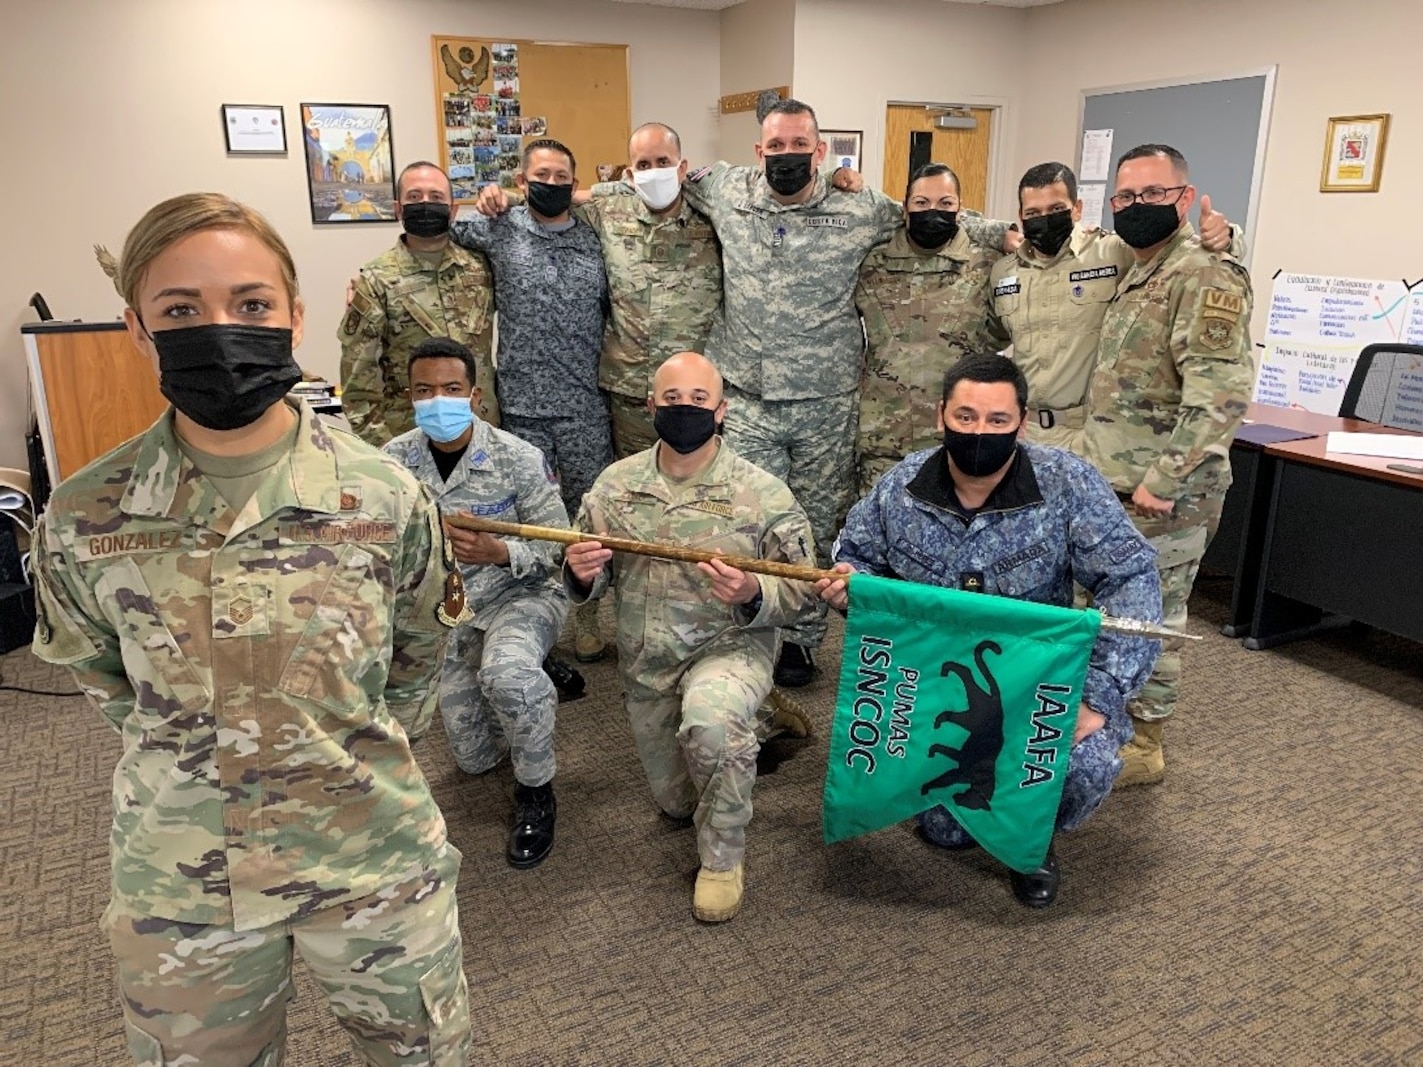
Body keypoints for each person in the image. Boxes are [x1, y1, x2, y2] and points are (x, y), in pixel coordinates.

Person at [35, 193, 473, 1063]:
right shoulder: (86, 513)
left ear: (294, 316)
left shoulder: (384, 496)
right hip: (183, 880)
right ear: (137, 329)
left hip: (371, 860)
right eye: (181, 311)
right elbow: (99, 674)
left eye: (251, 305)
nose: (220, 329)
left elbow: (419, 657)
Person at [670, 99, 1014, 689]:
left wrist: (1007, 231)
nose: (786, 156)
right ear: (759, 150)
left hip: (825, 402)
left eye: (799, 145)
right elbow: (652, 185)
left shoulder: (858, 206)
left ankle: (800, 640)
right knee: (744, 518)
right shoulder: (726, 189)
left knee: (814, 523)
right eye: (775, 146)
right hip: (747, 398)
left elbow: (934, 215)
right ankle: (743, 629)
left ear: (820, 151)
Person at [817, 353, 1161, 908]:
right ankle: (969, 809)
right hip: (927, 686)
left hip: (1033, 685)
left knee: (1086, 762)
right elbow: (856, 556)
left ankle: (1033, 839)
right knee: (945, 832)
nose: (980, 431)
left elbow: (1132, 580)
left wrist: (1097, 694)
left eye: (998, 420)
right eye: (967, 416)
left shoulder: (1068, 483)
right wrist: (847, 585)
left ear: (1021, 423)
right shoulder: (900, 484)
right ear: (941, 416)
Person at [564, 353, 818, 923]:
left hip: (728, 648)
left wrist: (754, 592)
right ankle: (763, 719)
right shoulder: (614, 486)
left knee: (711, 729)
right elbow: (590, 575)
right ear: (650, 407)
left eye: (699, 400)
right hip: (646, 659)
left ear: (722, 412)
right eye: (672, 399)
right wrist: (581, 573)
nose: (685, 409)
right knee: (677, 804)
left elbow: (802, 593)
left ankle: (722, 860)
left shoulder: (764, 496)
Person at [1083, 144, 1253, 787]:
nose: (1136, 207)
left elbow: (1222, 396)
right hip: (1117, 484)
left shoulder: (1205, 273)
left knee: (1154, 612)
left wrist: (1165, 478)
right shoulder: (1137, 266)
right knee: (1113, 607)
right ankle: (1110, 719)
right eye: (1124, 197)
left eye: (1153, 195)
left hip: (1167, 489)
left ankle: (1146, 742)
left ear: (1184, 198)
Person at [384, 337, 569, 869]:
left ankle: (537, 794)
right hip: (448, 611)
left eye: (451, 388)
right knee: (474, 759)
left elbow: (560, 548)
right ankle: (531, 676)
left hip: (521, 594)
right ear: (410, 397)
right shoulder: (394, 463)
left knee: (509, 677)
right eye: (425, 390)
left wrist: (501, 551)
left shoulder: (517, 458)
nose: (437, 400)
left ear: (475, 396)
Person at [451, 137, 613, 663]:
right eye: (539, 175)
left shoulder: (595, 239)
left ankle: (586, 614)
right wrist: (487, 196)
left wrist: (589, 197)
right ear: (523, 181)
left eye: (561, 177)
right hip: (520, 403)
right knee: (528, 519)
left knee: (585, 514)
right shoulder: (501, 230)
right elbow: (436, 225)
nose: (551, 184)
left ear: (574, 182)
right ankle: (532, 617)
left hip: (584, 402)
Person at [474, 122, 723, 460]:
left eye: (663, 162)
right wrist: (508, 196)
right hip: (629, 395)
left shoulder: (714, 218)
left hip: (697, 396)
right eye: (644, 165)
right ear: (630, 176)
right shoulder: (606, 215)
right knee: (628, 491)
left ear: (682, 167)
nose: (654, 173)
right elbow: (554, 200)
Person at [992, 161, 1240, 451]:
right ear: (1020, 216)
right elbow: (992, 335)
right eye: (1033, 213)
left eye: (1057, 209)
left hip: (1087, 435)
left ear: (1077, 208)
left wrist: (1230, 236)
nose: (1044, 219)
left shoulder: (1113, 253)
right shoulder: (1003, 272)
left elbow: (1176, 253)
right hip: (1022, 433)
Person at [855, 162, 1010, 495]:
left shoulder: (985, 263)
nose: (933, 212)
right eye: (922, 203)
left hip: (960, 439)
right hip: (883, 438)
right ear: (906, 209)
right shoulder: (873, 263)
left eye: (945, 204)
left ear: (960, 210)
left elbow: (1003, 331)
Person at [338, 160, 496, 445]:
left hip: (481, 430)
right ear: (398, 209)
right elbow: (358, 382)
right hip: (409, 435)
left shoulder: (482, 267)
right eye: (414, 197)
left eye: (436, 197)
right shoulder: (376, 279)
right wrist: (381, 452)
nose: (425, 203)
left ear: (453, 210)